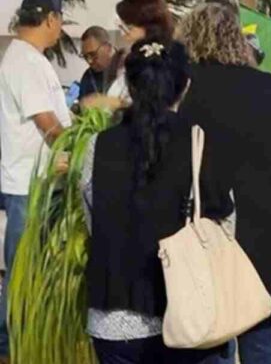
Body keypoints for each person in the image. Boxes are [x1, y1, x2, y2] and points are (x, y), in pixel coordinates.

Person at [177, 0, 271, 364]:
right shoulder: (267, 87)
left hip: (205, 234)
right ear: (238, 38)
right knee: (264, 351)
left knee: (209, 345)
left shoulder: (182, 91)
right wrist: (268, 174)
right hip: (267, 234)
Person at [79, 39, 232, 363]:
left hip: (115, 318)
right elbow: (223, 219)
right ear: (184, 84)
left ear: (129, 85)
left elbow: (93, 216)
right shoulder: (198, 142)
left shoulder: (98, 145)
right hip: (187, 316)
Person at [0, 0, 72, 362]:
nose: (60, 30)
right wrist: (82, 145)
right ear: (50, 19)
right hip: (29, 185)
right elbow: (48, 124)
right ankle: (9, 348)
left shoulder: (27, 58)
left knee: (30, 269)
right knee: (22, 274)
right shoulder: (25, 62)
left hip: (36, 181)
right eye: (60, 22)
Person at [83, 0, 175, 111]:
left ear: (150, 28)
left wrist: (117, 103)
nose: (124, 35)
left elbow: (156, 109)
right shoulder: (127, 62)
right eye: (121, 27)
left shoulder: (162, 64)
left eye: (129, 28)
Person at [78, 26, 117, 100]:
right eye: (85, 57)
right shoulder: (87, 77)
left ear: (108, 48)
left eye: (93, 54)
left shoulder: (127, 69)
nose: (90, 61)